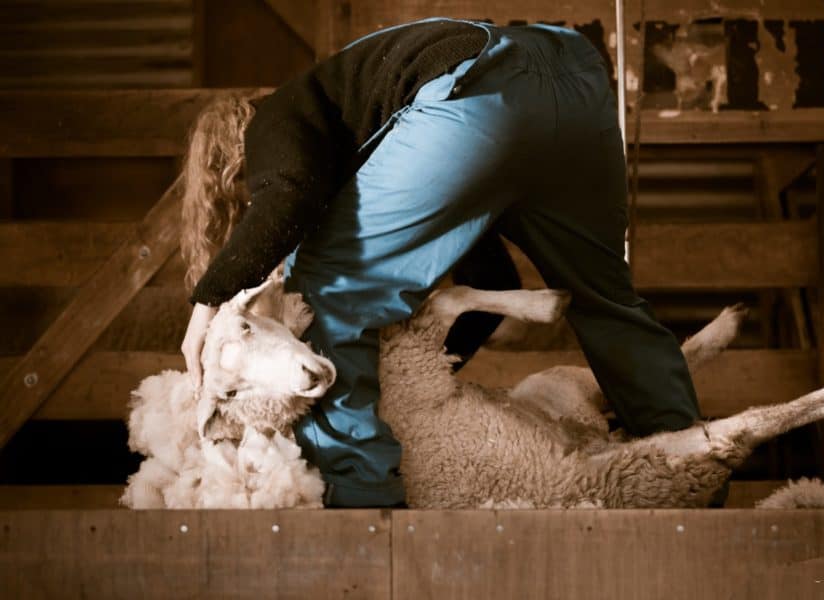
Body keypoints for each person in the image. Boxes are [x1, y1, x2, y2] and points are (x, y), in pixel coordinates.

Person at [180, 17, 702, 508]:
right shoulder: (380, 131)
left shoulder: (277, 115)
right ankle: (692, 472)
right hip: (577, 81)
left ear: (239, 161)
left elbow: (286, 196)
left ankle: (363, 513)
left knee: (324, 290)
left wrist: (208, 302)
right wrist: (414, 379)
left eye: (250, 194)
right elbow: (491, 282)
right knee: (607, 300)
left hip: (474, 93)